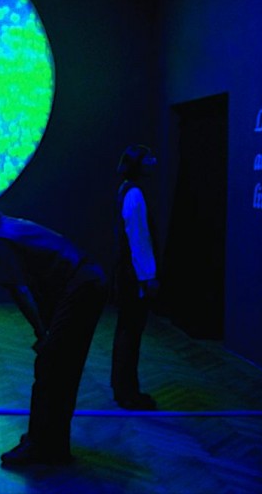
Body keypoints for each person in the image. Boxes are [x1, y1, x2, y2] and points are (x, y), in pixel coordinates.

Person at [0, 200, 105, 467]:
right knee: (58, 367)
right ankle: (49, 443)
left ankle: (42, 446)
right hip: (85, 282)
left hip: (82, 287)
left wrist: (42, 332)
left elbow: (21, 290)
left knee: (52, 365)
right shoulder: (8, 227)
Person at [111, 144, 159, 410]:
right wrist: (148, 276)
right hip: (134, 276)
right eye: (148, 157)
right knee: (131, 333)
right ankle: (128, 392)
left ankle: (122, 388)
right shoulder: (135, 194)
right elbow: (139, 238)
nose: (153, 161)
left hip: (126, 273)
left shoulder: (125, 190)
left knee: (125, 331)